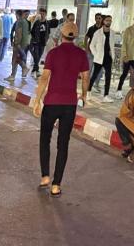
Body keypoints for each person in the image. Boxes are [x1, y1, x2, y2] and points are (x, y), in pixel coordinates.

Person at [33, 22, 90, 197]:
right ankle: (56, 185)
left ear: (61, 35)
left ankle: (45, 176)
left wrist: (37, 100)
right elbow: (86, 78)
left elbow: (44, 78)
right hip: (69, 104)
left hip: (51, 102)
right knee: (63, 144)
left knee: (45, 139)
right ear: (76, 36)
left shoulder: (53, 53)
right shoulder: (81, 54)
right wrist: (84, 95)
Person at [116, 13, 134, 98]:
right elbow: (124, 43)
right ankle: (119, 90)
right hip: (128, 56)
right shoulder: (128, 30)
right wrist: (124, 55)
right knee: (124, 74)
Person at [89, 15, 116, 102]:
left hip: (108, 58)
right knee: (94, 75)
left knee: (108, 77)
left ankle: (106, 96)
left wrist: (113, 55)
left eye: (110, 20)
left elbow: (112, 45)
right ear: (103, 21)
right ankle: (88, 92)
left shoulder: (112, 33)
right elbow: (91, 45)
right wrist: (95, 54)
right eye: (107, 20)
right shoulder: (97, 33)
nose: (109, 22)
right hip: (99, 58)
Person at [5, 10, 31, 82]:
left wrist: (16, 43)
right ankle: (13, 75)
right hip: (24, 43)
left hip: (19, 44)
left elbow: (18, 33)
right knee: (16, 59)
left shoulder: (19, 21)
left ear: (17, 15)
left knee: (15, 59)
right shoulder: (25, 22)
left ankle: (23, 68)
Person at [85, 13, 104, 91]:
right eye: (97, 18)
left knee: (99, 69)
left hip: (100, 53)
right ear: (95, 19)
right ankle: (88, 84)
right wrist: (86, 48)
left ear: (101, 19)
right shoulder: (91, 28)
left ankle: (96, 84)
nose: (98, 20)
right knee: (89, 68)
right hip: (91, 51)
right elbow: (86, 38)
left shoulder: (104, 29)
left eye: (100, 18)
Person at [30, 8, 49, 78]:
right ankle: (36, 70)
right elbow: (32, 31)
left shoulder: (47, 23)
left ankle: (34, 70)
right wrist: (34, 39)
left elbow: (48, 32)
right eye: (41, 14)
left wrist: (46, 39)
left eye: (43, 14)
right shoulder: (37, 22)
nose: (42, 15)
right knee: (36, 55)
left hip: (43, 42)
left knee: (39, 56)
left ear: (46, 14)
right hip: (36, 42)